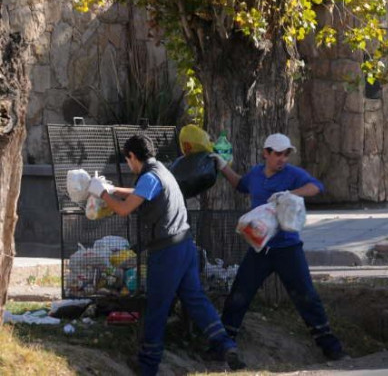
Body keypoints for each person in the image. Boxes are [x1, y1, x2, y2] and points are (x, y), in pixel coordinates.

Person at [92, 134, 244, 375]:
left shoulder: (149, 177)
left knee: (157, 307)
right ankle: (225, 345)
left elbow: (123, 209)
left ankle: (148, 365)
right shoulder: (162, 170)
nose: (129, 165)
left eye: (128, 160)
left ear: (132, 156)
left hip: (166, 252)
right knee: (196, 300)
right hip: (185, 246)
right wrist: (112, 188)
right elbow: (139, 192)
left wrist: (102, 194)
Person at [212, 132, 347, 361]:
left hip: (287, 248)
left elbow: (316, 187)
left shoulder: (292, 175)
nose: (282, 159)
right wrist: (222, 165)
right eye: (277, 154)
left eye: (286, 154)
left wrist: (289, 194)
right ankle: (224, 346)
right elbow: (240, 184)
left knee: (306, 296)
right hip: (260, 248)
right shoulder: (255, 174)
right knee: (239, 294)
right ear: (266, 153)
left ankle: (331, 348)